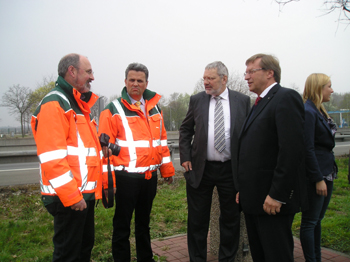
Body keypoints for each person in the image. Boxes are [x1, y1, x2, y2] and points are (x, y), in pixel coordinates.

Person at [98, 63, 175, 262]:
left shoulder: (155, 108)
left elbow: (162, 141)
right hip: (125, 178)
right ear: (125, 82)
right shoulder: (112, 110)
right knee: (122, 226)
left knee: (144, 224)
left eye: (140, 80)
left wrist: (167, 169)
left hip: (149, 177)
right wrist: (108, 183)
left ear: (146, 83)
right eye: (131, 80)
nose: (135, 84)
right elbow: (103, 152)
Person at [31, 53, 104, 261]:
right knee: (67, 255)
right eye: (88, 72)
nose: (92, 77)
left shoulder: (78, 104)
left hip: (82, 195)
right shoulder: (55, 103)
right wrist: (72, 196)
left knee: (83, 249)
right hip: (69, 198)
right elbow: (53, 157)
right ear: (72, 71)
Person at [236, 54, 306, 262]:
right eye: (245, 72)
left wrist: (278, 194)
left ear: (269, 73)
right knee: (261, 255)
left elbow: (291, 151)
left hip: (271, 200)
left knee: (276, 255)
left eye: (251, 71)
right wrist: (243, 189)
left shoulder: (286, 98)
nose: (246, 77)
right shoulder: (258, 102)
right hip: (254, 198)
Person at [179, 61, 250, 261]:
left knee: (230, 219)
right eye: (204, 78)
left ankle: (226, 258)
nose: (206, 82)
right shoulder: (197, 100)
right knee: (197, 219)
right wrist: (185, 157)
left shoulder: (242, 101)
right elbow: (185, 130)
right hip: (201, 169)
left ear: (224, 79)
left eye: (211, 78)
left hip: (230, 170)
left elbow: (247, 134)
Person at [300, 73, 338, 262]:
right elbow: (307, 148)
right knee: (310, 221)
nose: (332, 90)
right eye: (329, 86)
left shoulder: (318, 110)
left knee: (317, 221)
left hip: (326, 172)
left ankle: (316, 257)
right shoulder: (308, 111)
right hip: (318, 175)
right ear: (318, 88)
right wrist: (317, 178)